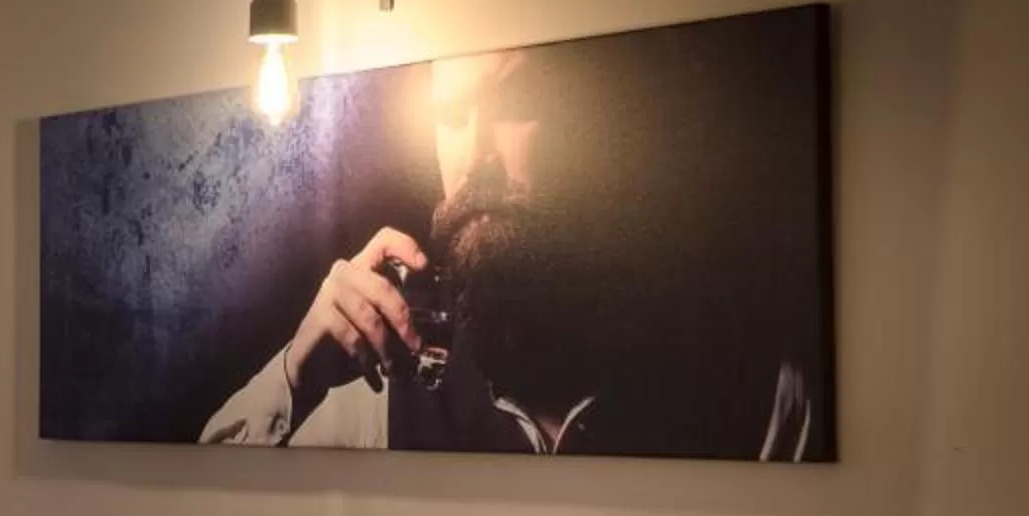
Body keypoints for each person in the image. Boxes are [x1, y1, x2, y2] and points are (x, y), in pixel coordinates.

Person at [200, 46, 818, 457]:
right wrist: (295, 377)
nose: (474, 160)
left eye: (516, 104)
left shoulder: (755, 393)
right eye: (449, 113)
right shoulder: (381, 377)